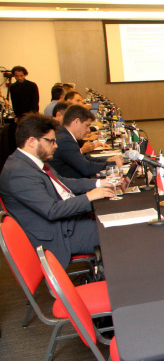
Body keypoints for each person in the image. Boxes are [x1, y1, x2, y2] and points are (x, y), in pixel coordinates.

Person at [0, 114, 118, 267]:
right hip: (59, 236)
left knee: (114, 218)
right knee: (116, 232)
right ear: (31, 141)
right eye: (51, 141)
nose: (55, 146)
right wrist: (88, 197)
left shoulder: (30, 161)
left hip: (67, 223)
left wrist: (99, 182)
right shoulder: (19, 172)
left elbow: (63, 183)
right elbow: (52, 210)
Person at [50, 105, 123, 179]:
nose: (88, 130)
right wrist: (113, 163)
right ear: (76, 122)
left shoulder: (64, 134)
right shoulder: (65, 140)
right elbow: (87, 168)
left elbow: (84, 158)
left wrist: (109, 160)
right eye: (87, 125)